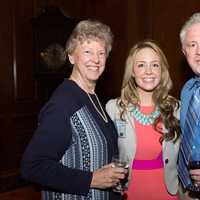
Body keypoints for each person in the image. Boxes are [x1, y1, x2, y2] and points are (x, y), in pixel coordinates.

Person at [20, 19, 127, 200]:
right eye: (87, 51)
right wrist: (91, 179)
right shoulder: (63, 102)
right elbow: (32, 166)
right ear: (71, 56)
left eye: (101, 53)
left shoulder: (93, 97)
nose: (96, 59)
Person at [106, 39, 181, 200]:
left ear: (162, 71)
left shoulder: (176, 108)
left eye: (155, 65)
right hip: (129, 192)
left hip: (167, 193)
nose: (149, 71)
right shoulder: (114, 108)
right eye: (141, 65)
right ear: (132, 71)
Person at [178, 12, 200, 199]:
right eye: (193, 45)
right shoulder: (187, 90)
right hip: (186, 191)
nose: (199, 52)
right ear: (184, 51)